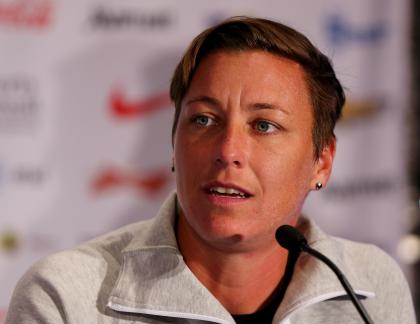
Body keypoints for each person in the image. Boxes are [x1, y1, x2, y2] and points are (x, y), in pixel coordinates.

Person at [5, 16, 416, 324]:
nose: (228, 150)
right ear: (172, 143)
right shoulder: (65, 298)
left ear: (321, 161)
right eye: (203, 119)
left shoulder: (369, 283)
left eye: (264, 125)